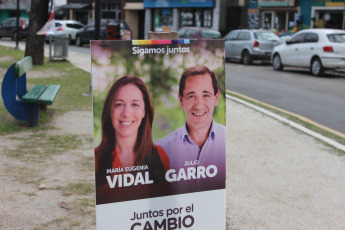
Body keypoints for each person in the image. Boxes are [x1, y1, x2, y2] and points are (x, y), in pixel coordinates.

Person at [95, 75, 170, 204]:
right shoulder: (95, 158)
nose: (126, 113)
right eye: (119, 104)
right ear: (110, 110)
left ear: (144, 111)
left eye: (135, 104)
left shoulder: (160, 155)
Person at [155, 66, 226, 194]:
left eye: (206, 95)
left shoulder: (229, 141)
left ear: (216, 98)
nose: (199, 105)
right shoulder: (161, 150)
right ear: (181, 100)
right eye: (191, 96)